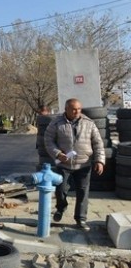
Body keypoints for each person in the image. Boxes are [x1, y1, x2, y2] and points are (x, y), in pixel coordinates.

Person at [44, 98, 105, 231]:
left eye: (79, 109)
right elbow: (48, 140)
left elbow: (98, 143)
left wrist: (100, 160)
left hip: (84, 164)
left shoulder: (89, 123)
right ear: (66, 109)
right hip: (63, 164)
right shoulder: (56, 123)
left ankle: (81, 219)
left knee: (83, 192)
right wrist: (58, 153)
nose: (77, 111)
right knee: (60, 190)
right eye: (73, 109)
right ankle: (61, 208)